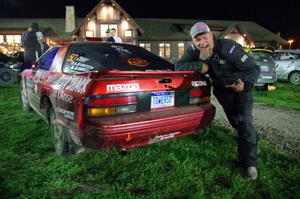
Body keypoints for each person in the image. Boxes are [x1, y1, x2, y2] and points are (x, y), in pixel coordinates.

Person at [176, 22, 260, 180]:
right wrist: (200, 66)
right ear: (194, 41)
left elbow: (254, 68)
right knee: (235, 122)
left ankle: (250, 164)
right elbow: (179, 66)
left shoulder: (228, 47)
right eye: (198, 39)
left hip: (241, 88)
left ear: (211, 35)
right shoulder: (195, 50)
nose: (202, 42)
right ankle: (253, 141)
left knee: (244, 123)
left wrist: (246, 84)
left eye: (204, 37)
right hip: (222, 92)